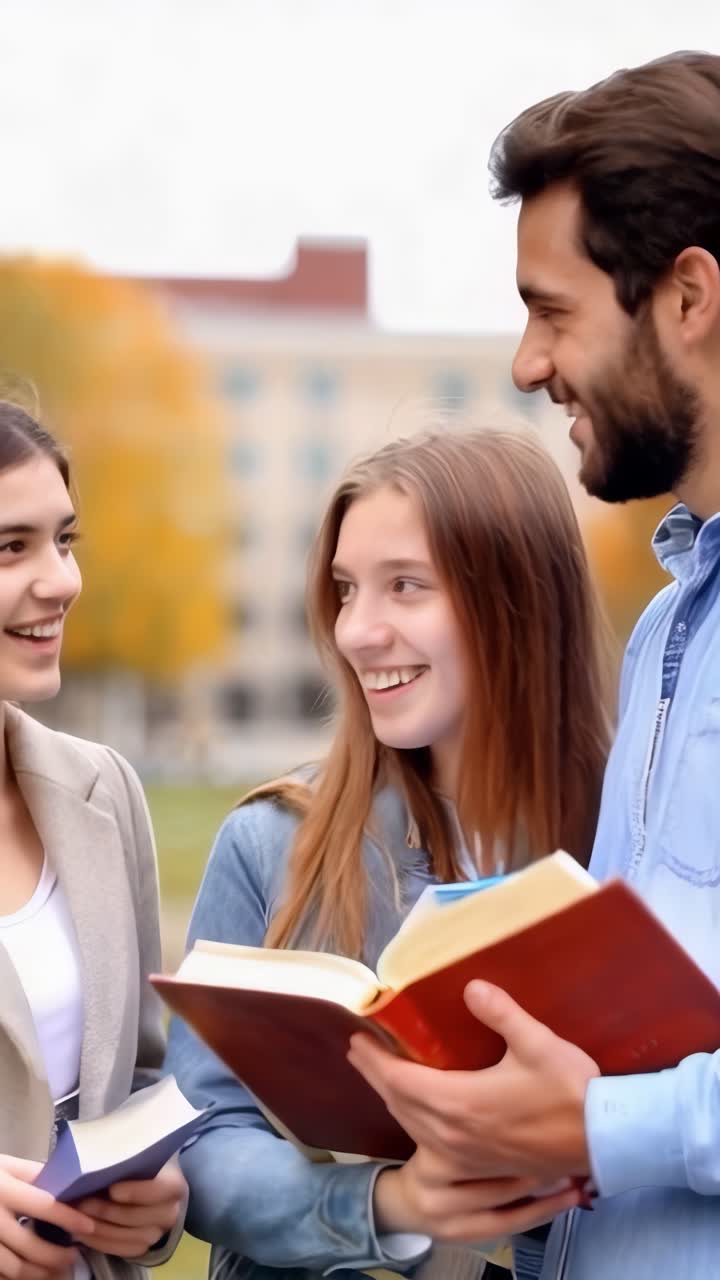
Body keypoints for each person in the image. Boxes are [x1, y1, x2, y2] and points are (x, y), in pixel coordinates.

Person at [347, 49, 720, 1280]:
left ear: (689, 296)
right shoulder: (666, 633)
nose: (527, 363)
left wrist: (603, 1123)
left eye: (553, 312)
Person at [165, 426, 612, 1280]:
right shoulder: (272, 842)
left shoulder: (641, 836)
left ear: (517, 598)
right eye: (345, 590)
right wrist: (389, 1205)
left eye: (405, 585)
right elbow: (204, 1134)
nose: (356, 632)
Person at [0, 402, 186, 1280]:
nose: (62, 581)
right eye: (12, 548)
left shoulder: (105, 790)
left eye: (64, 540)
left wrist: (160, 1201)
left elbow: (141, 1080)